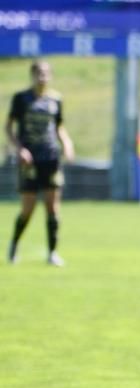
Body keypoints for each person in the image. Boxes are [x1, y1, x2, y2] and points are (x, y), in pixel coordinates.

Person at [6, 59, 74, 266]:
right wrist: (20, 149)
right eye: (38, 73)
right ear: (32, 75)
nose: (42, 77)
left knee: (53, 207)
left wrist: (67, 144)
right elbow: (8, 128)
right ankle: (14, 244)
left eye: (45, 73)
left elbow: (58, 127)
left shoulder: (56, 100)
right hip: (30, 160)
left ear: (50, 76)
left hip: (51, 157)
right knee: (28, 208)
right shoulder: (21, 99)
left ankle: (52, 253)